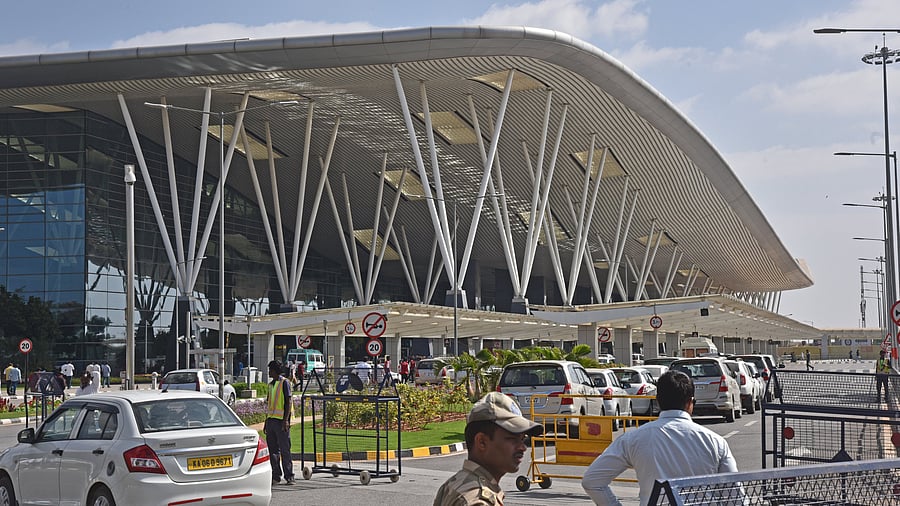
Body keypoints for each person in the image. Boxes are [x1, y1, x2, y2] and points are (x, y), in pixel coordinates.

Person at [582, 370, 737, 506]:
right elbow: (734, 496)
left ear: (657, 401)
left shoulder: (633, 439)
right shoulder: (716, 442)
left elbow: (592, 481)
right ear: (690, 402)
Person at [433, 392, 543, 506]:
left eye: (522, 439)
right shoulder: (477, 500)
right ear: (482, 442)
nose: (523, 447)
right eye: (512, 438)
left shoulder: (455, 484)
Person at [265, 360, 294, 485]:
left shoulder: (284, 383)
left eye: (270, 370)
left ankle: (289, 476)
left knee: (285, 450)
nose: (269, 372)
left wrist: (286, 421)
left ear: (275, 371)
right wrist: (266, 422)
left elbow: (288, 402)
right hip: (271, 421)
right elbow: (269, 405)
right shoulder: (270, 385)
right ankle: (276, 475)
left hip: (281, 421)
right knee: (273, 451)